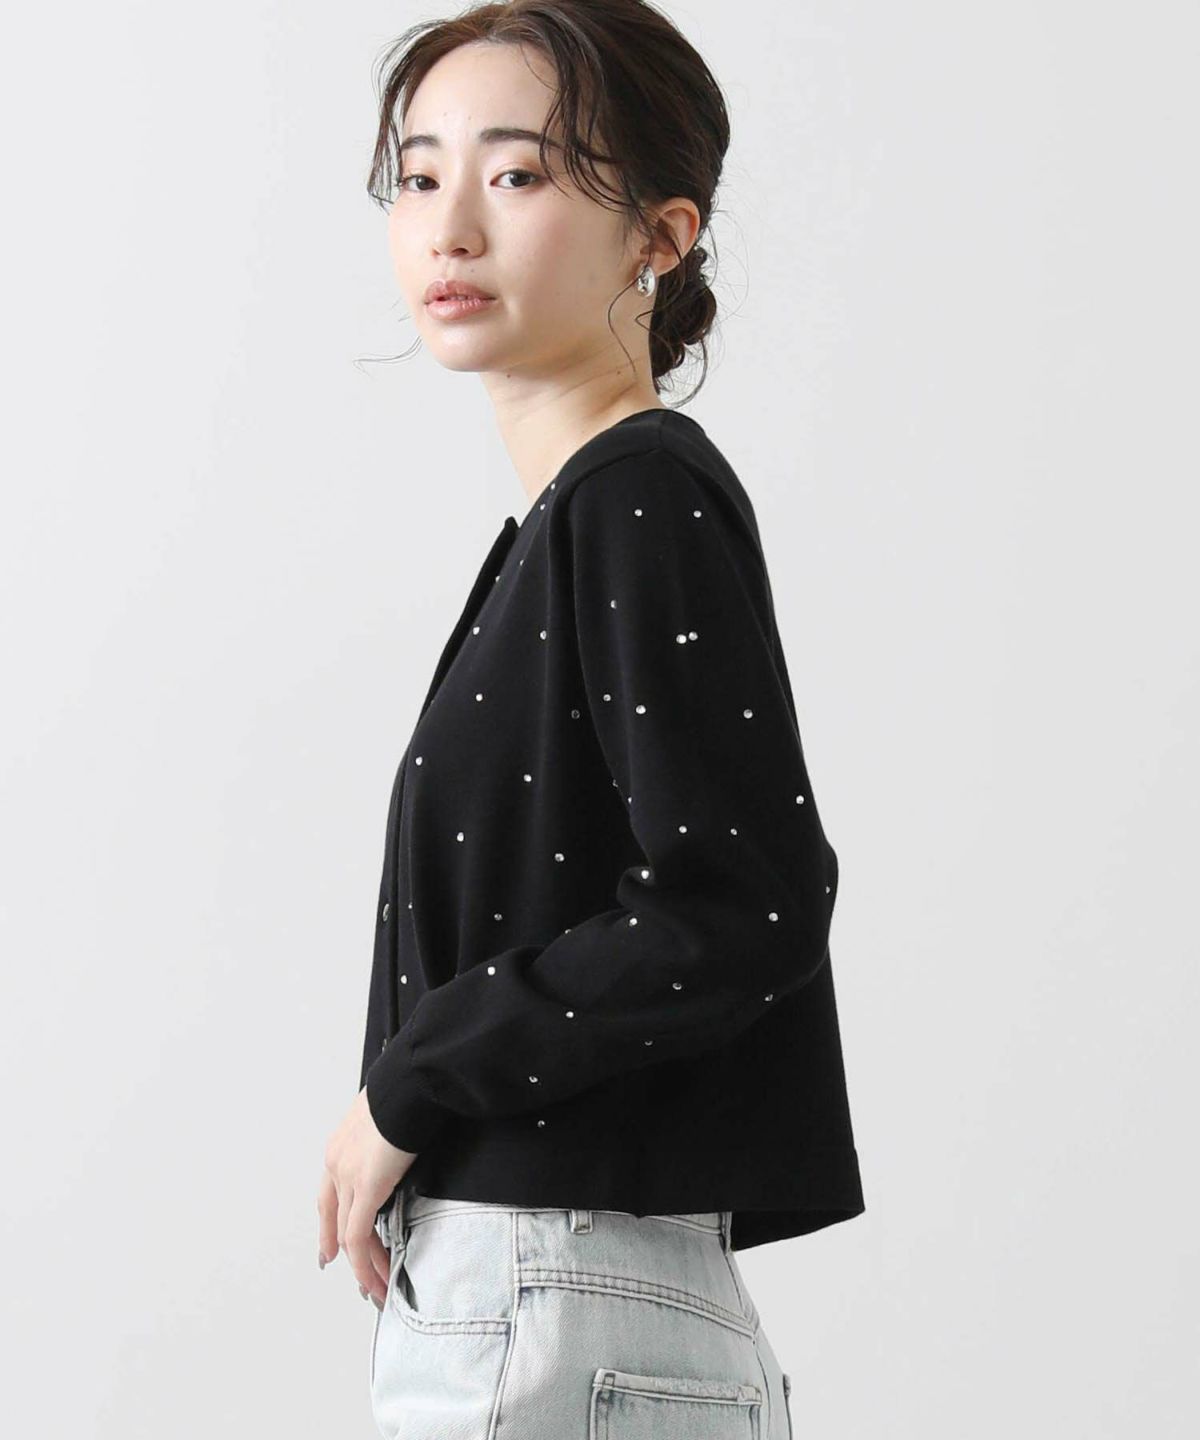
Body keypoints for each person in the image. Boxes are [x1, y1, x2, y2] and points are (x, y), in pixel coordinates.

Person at [317, 3, 865, 1436]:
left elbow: (741, 896)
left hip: (552, 1289)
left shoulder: (634, 495)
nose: (450, 227)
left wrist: (412, 1085)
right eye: (418, 176)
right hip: (550, 1287)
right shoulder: (577, 521)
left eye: (516, 174)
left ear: (659, 238)